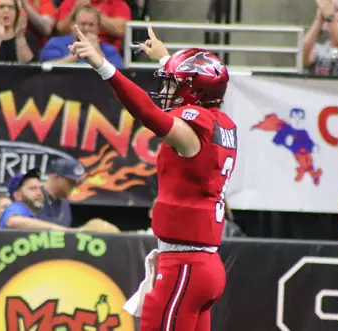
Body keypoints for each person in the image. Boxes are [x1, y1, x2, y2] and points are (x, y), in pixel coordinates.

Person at [70, 24, 237, 331]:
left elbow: (147, 113)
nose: (165, 91)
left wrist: (102, 65)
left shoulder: (190, 132)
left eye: (174, 85)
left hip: (184, 265)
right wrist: (165, 59)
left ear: (194, 92)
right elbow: (190, 96)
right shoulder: (220, 123)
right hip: (203, 264)